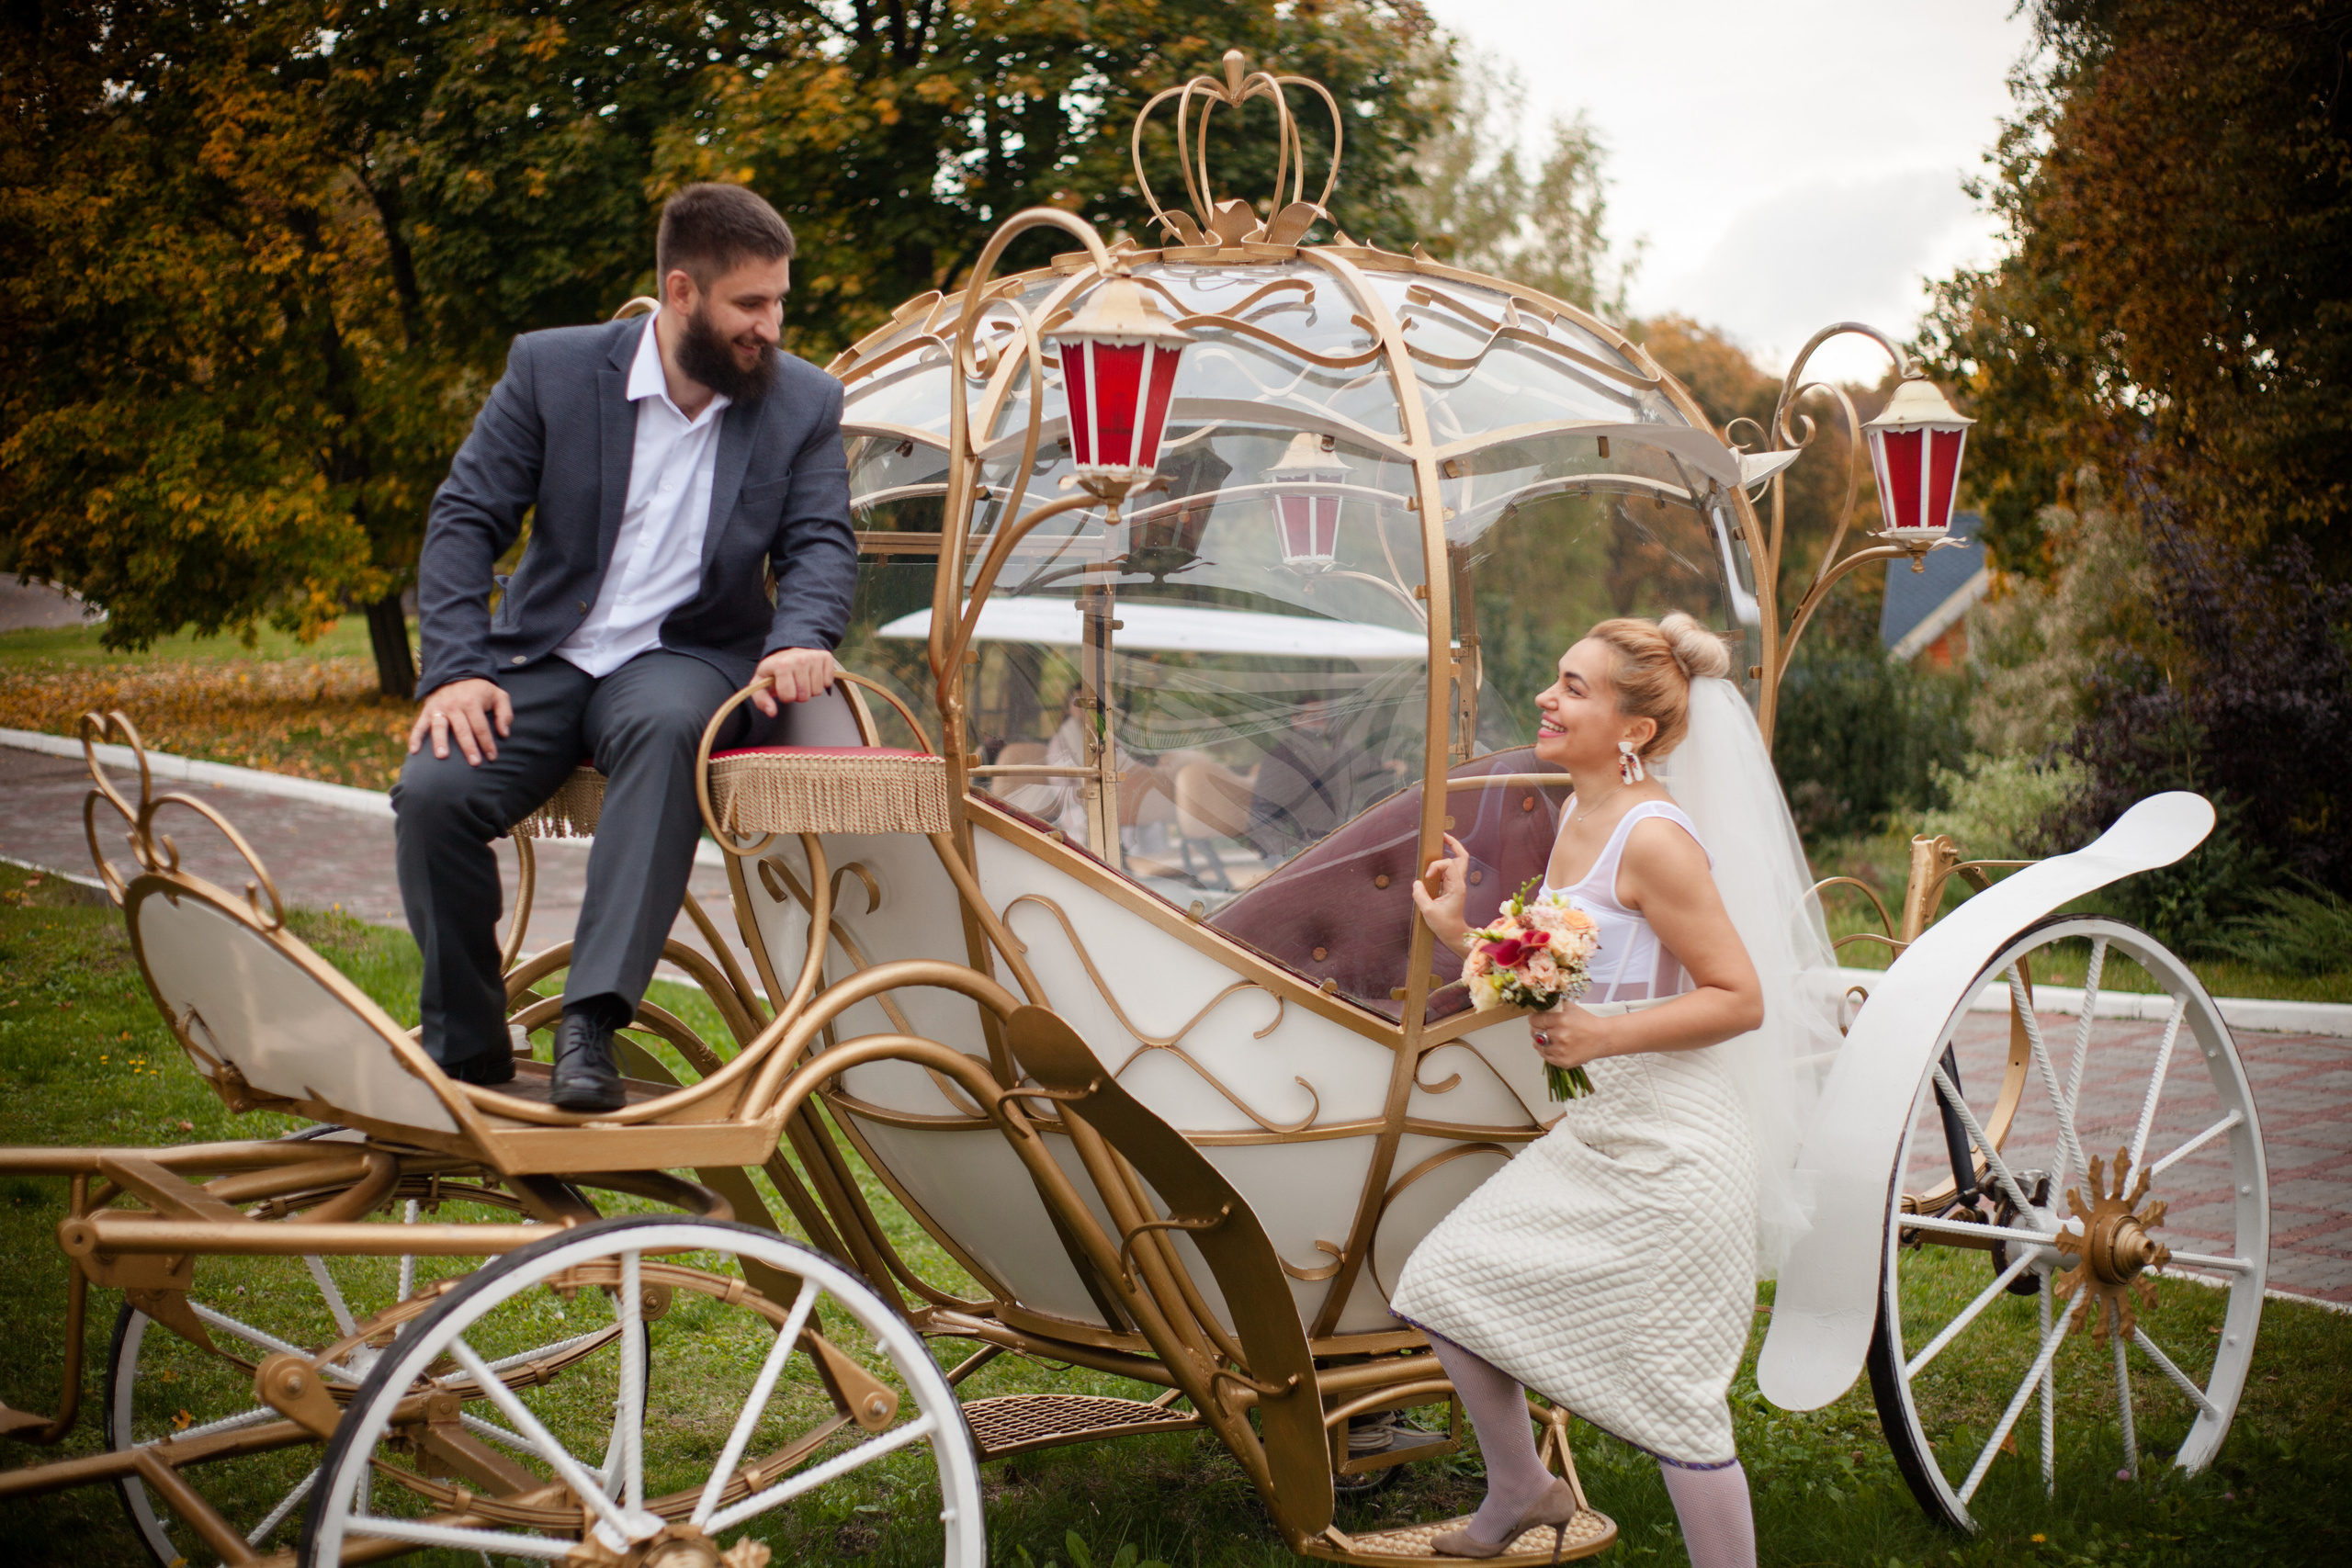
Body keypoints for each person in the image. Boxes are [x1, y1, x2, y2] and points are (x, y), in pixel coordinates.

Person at [395, 183, 855, 1112]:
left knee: (666, 725)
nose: (771, 325)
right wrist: (455, 670)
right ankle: (470, 1054)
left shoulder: (802, 402)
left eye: (778, 301)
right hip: (545, 658)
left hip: (687, 655)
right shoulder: (551, 371)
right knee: (435, 793)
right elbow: (463, 520)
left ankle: (590, 1025)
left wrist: (799, 638)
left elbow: (819, 544)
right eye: (750, 304)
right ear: (683, 294)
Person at [1393, 611, 1838, 1567]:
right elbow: (1562, 978)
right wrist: (1462, 934)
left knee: (1677, 1400)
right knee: (1439, 1284)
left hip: (1677, 1143)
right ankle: (1520, 1488)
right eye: (1557, 680)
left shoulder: (1654, 839)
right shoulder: (1577, 816)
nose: (1548, 701)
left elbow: (1740, 997)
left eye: (1575, 689)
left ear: (1633, 731)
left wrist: (1605, 1034)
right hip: (1598, 1128)